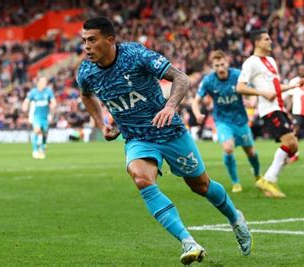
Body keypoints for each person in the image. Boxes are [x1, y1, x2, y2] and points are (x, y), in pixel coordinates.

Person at [76, 17, 252, 265]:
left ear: (110, 40)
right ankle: (188, 241)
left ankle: (236, 218)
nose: (86, 46)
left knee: (200, 185)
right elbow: (86, 96)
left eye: (92, 40)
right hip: (137, 138)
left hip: (169, 132)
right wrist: (101, 123)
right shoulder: (87, 72)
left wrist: (170, 107)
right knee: (141, 178)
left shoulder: (136, 56)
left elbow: (181, 78)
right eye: (84, 41)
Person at [236, 28, 304, 198]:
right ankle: (268, 179)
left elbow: (275, 87)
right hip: (269, 109)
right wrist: (261, 93)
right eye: (267, 39)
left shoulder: (271, 61)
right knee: (290, 142)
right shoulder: (250, 62)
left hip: (279, 107)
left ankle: (268, 180)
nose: (270, 41)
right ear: (257, 42)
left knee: (293, 145)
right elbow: (240, 87)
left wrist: (293, 86)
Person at [192, 50, 261, 193]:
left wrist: (252, 100)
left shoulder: (237, 75)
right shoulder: (209, 80)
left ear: (227, 63)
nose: (220, 68)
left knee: (251, 152)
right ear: (213, 66)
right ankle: (236, 182)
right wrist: (197, 113)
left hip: (241, 120)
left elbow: (253, 90)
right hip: (222, 121)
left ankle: (257, 175)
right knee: (228, 148)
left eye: (222, 64)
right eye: (216, 66)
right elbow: (196, 101)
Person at [22, 76, 56, 159]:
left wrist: (53, 108)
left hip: (45, 116)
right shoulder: (33, 92)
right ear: (39, 82)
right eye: (43, 82)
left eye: (45, 82)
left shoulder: (48, 91)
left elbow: (53, 102)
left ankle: (43, 146)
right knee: (37, 130)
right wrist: (24, 106)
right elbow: (27, 100)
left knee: (44, 133)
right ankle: (35, 151)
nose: (44, 84)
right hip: (36, 116)